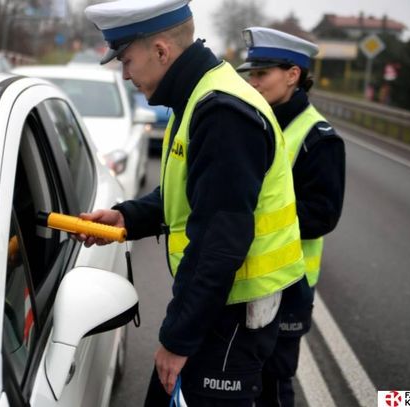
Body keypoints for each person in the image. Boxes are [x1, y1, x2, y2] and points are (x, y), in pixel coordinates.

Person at [82, 2, 305, 406]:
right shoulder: (199, 95)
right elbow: (188, 196)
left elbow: (218, 244)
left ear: (162, 51)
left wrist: (177, 339)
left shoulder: (221, 112)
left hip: (232, 314)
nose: (125, 74)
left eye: (127, 60)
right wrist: (126, 217)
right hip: (218, 307)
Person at [236, 27, 346, 406]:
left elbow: (322, 216)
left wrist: (246, 215)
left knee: (273, 384)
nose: (253, 82)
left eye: (261, 74)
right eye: (251, 74)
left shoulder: (319, 138)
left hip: (290, 282)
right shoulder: (257, 120)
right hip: (249, 277)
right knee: (244, 379)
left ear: (293, 74)